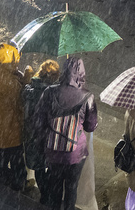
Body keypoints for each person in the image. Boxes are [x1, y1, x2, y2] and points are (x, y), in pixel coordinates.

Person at [33, 57, 97, 210]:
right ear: (81, 72)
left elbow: (38, 120)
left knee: (55, 187)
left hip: (53, 150)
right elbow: (90, 126)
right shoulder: (88, 97)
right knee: (71, 188)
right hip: (76, 153)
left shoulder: (49, 92)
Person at [0, 43, 31, 191]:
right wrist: (28, 78)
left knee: (1, 152)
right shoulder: (9, 82)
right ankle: (19, 184)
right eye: (14, 59)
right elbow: (22, 98)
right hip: (11, 125)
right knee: (16, 155)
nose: (16, 62)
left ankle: (2, 178)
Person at [22, 59, 60, 204]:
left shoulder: (30, 89)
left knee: (38, 166)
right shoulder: (54, 93)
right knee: (50, 165)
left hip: (32, 135)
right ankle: (49, 194)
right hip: (48, 135)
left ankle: (44, 194)